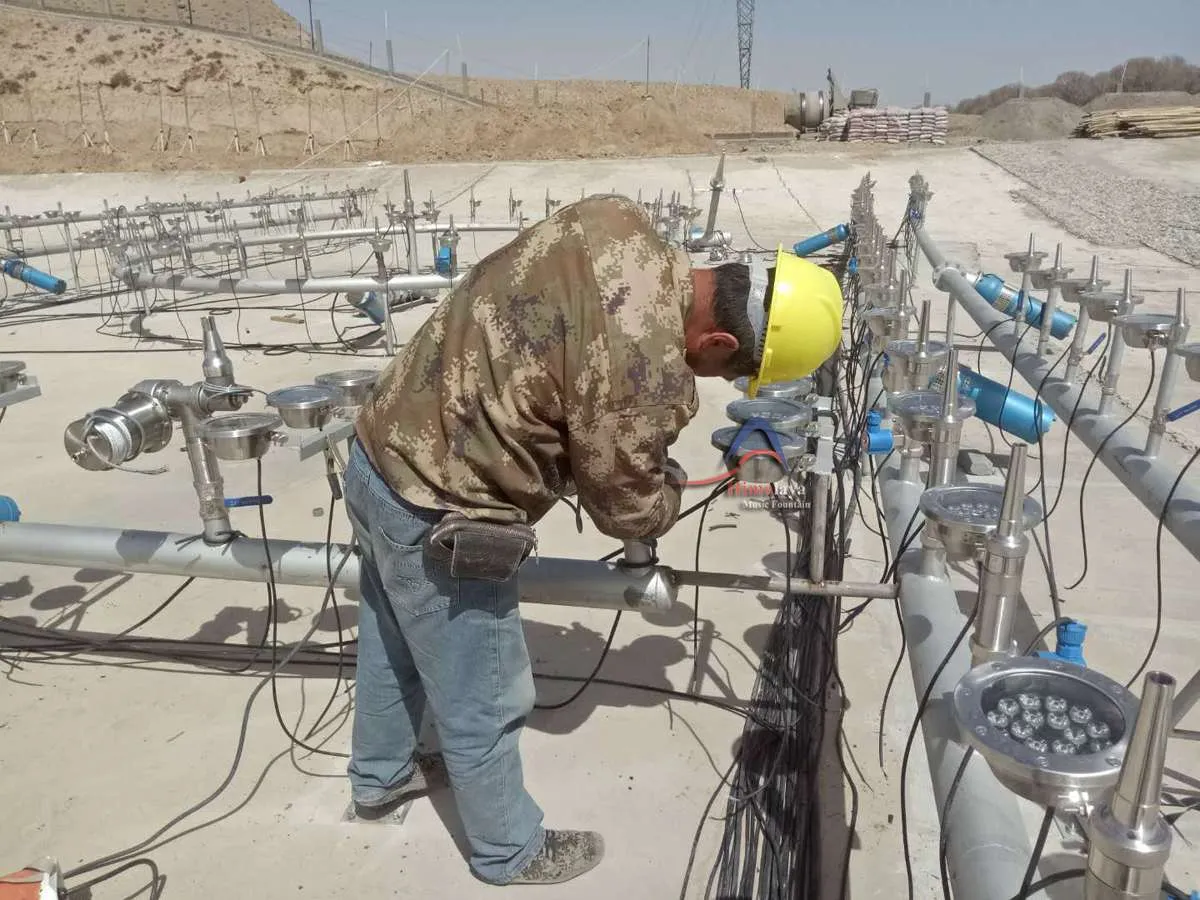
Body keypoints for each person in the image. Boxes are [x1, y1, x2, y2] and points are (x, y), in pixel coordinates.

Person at [344, 194, 843, 886]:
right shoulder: (648, 371)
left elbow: (569, 353)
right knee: (482, 688)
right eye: (729, 370)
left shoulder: (617, 217)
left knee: (390, 631)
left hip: (378, 449)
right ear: (721, 341)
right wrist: (666, 489)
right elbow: (626, 509)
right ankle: (507, 850)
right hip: (443, 502)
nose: (720, 378)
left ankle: (379, 775)